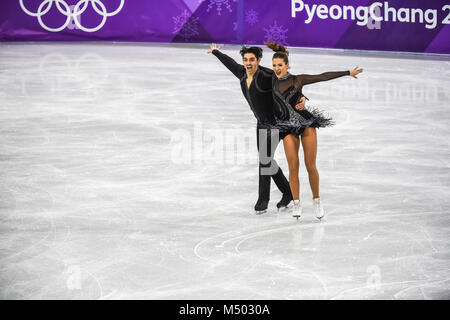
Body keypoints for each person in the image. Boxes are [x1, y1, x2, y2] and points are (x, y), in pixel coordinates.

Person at [265, 41, 363, 220]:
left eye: (280, 65)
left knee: (310, 165)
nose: (277, 68)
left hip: (306, 124)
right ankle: (296, 202)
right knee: (293, 167)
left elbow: (323, 76)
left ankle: (316, 200)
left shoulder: (297, 80)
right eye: (274, 66)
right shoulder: (270, 83)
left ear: (287, 65)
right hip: (287, 127)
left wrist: (347, 73)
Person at [207, 43, 307, 214]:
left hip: (276, 123)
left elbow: (288, 81)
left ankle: (263, 200)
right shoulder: (241, 73)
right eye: (245, 60)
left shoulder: (267, 76)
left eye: (252, 60)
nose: (248, 63)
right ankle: (288, 192)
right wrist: (216, 52)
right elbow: (230, 63)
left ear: (259, 60)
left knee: (264, 160)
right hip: (261, 123)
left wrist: (300, 96)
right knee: (266, 160)